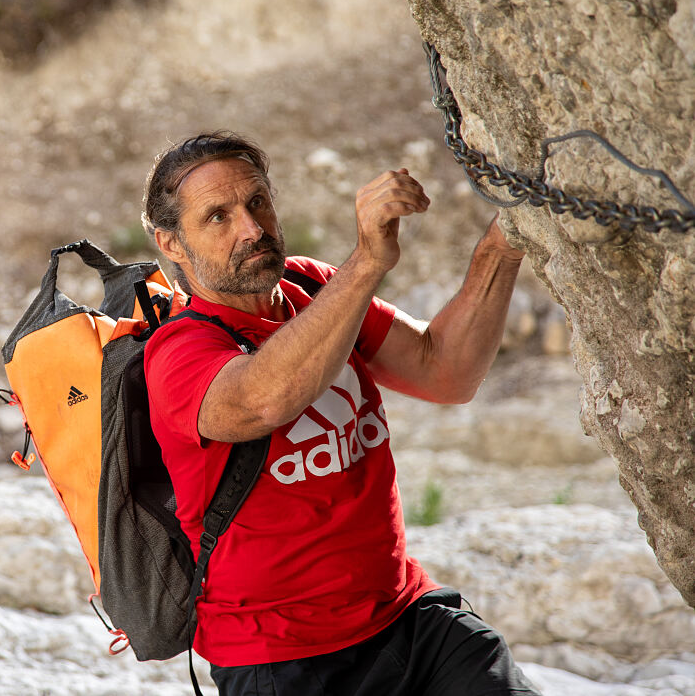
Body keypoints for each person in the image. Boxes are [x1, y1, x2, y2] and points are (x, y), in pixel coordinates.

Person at [141, 131, 542, 696]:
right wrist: (367, 262)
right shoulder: (179, 353)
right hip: (283, 661)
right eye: (217, 217)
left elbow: (445, 371)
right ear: (171, 242)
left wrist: (506, 241)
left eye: (257, 202)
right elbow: (265, 399)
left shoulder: (311, 284)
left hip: (408, 617)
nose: (252, 229)